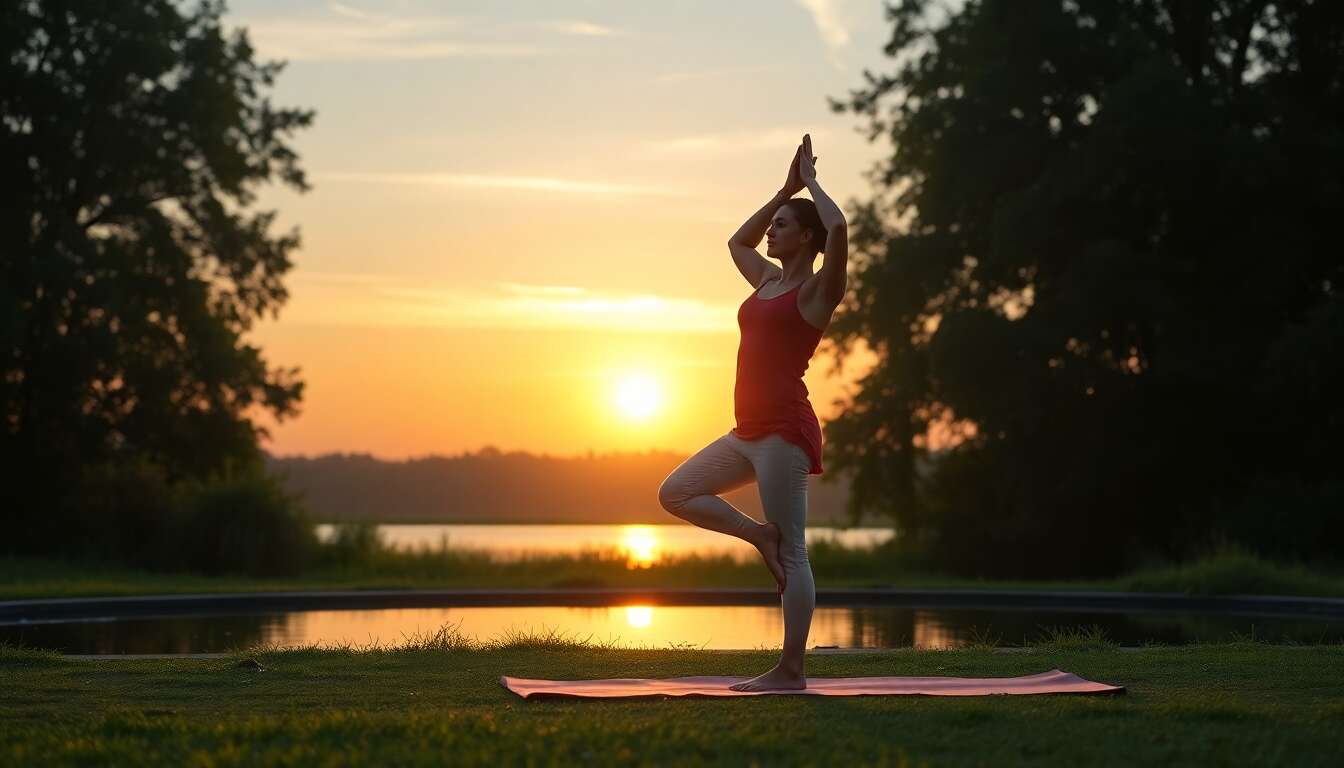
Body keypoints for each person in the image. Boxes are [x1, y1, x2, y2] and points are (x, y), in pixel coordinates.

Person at [657, 133, 849, 691]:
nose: (771, 232)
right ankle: (758, 537)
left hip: (784, 434)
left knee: (796, 551)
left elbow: (838, 228)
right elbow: (736, 242)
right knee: (675, 493)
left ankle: (791, 671)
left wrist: (811, 183)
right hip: (745, 433)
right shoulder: (766, 279)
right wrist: (785, 189)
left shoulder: (818, 292)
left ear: (806, 237)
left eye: (783, 225)